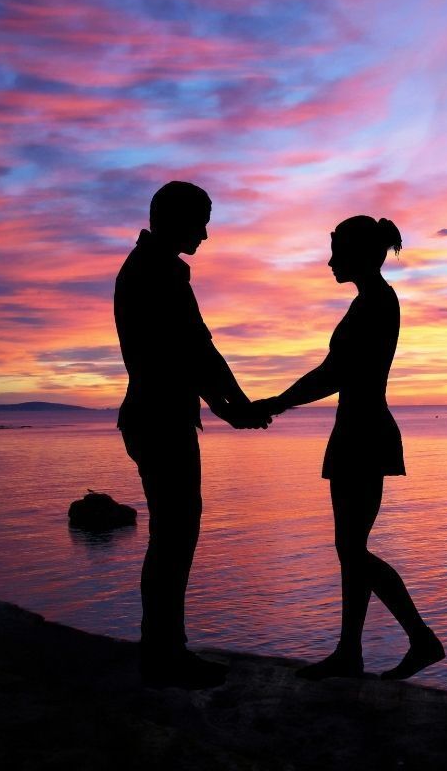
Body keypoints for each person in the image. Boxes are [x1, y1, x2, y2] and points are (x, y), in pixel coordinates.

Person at [254, 215, 444, 680]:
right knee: (351, 547)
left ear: (359, 254)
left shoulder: (375, 303)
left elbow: (333, 374)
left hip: (363, 433)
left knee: (352, 549)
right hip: (358, 430)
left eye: (337, 251)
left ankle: (420, 639)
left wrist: (276, 403)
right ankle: (350, 652)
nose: (330, 260)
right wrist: (277, 402)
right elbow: (332, 370)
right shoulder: (371, 301)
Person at [114, 180, 269, 689]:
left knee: (173, 535)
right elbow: (194, 350)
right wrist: (237, 407)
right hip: (158, 419)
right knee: (174, 536)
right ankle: (164, 654)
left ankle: (163, 647)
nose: (205, 233)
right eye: (200, 222)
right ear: (173, 219)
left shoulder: (152, 268)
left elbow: (190, 354)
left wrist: (229, 409)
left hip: (159, 415)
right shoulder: (156, 271)